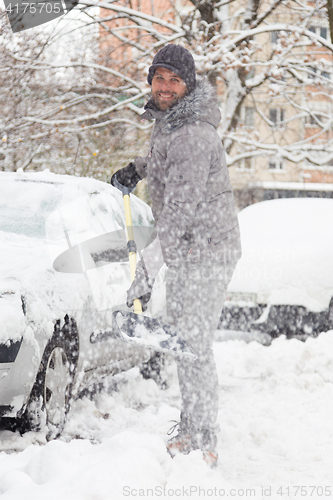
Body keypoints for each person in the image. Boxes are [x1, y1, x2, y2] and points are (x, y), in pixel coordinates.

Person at [111, 44, 241, 468]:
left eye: (175, 80)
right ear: (152, 81)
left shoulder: (193, 133)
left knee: (194, 346)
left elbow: (182, 208)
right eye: (159, 78)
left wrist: (147, 270)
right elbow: (162, 156)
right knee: (187, 344)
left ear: (188, 86)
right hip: (190, 249)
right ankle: (192, 428)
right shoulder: (172, 122)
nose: (165, 87)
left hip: (207, 250)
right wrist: (137, 167)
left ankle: (203, 437)